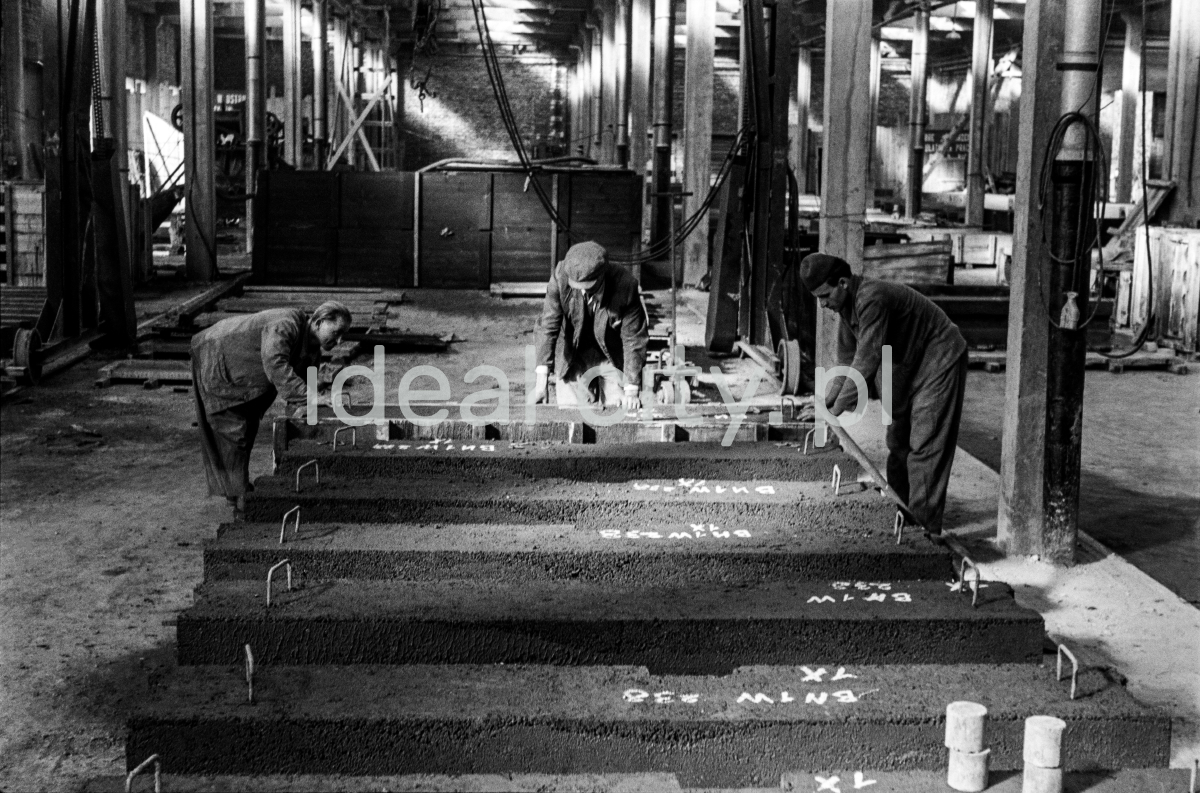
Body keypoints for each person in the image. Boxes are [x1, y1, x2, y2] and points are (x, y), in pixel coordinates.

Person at [799, 253, 968, 534]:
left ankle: (923, 533)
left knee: (925, 445)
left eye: (825, 296)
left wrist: (834, 412)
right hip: (908, 366)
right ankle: (902, 514)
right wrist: (824, 404)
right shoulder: (845, 308)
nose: (822, 304)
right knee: (897, 443)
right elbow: (845, 364)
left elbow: (865, 364)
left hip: (939, 358)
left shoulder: (871, 298)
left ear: (843, 282)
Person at [190, 301, 352, 516]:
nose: (339, 341)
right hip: (217, 355)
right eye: (337, 332)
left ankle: (236, 494)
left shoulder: (312, 349)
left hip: (245, 374)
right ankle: (241, 501)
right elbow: (275, 363)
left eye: (343, 336)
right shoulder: (286, 323)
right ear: (320, 321)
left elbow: (305, 389)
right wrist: (312, 397)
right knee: (233, 430)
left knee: (246, 429)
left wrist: (311, 415)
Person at [533, 241, 649, 412]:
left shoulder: (625, 285)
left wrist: (631, 390)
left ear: (602, 276)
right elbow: (548, 327)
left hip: (611, 355)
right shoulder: (560, 277)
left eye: (589, 287)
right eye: (578, 288)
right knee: (570, 415)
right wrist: (541, 382)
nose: (583, 292)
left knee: (616, 415)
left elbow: (634, 339)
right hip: (572, 355)